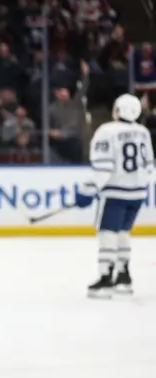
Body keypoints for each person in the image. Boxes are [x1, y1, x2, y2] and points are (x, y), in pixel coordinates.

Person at [76, 93, 154, 298]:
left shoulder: (107, 131)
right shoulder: (143, 132)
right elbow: (149, 166)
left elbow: (104, 166)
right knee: (123, 231)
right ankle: (123, 275)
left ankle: (105, 277)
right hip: (138, 193)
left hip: (115, 192)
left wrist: (88, 190)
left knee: (107, 232)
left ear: (118, 110)